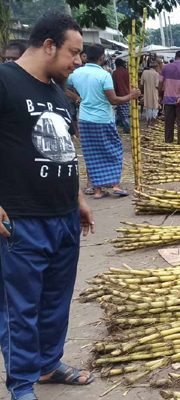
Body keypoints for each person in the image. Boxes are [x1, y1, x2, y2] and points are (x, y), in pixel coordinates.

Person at [0, 12, 96, 400]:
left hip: (64, 217)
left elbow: (63, 152)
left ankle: (48, 365)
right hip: (22, 220)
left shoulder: (58, 92)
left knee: (56, 300)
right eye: (73, 52)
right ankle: (21, 384)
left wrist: (79, 200)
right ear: (49, 46)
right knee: (20, 308)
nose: (78, 61)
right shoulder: (5, 82)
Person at [68, 44, 140, 200]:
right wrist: (131, 95)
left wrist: (76, 97)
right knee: (113, 150)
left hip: (85, 120)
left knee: (92, 153)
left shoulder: (76, 73)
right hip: (103, 120)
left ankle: (98, 190)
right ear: (102, 57)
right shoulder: (104, 75)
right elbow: (114, 100)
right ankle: (115, 185)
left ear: (85, 56)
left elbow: (60, 86)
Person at [159, 50, 180, 145]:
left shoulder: (165, 68)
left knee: (168, 123)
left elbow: (160, 82)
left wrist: (160, 96)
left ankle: (168, 142)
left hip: (168, 99)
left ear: (175, 57)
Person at [111, 58, 131, 134]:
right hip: (128, 94)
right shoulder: (127, 72)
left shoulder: (115, 73)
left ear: (116, 65)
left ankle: (127, 127)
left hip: (119, 95)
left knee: (122, 113)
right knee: (121, 112)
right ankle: (120, 126)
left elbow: (114, 85)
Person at [141, 61, 161, 127]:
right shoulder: (156, 74)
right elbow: (157, 86)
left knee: (148, 107)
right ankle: (153, 121)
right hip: (154, 93)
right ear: (156, 67)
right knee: (155, 107)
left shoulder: (145, 72)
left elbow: (141, 83)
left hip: (147, 93)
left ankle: (148, 121)